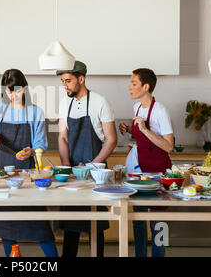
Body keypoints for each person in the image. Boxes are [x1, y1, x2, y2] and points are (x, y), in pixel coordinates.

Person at [0, 69, 58, 257]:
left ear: (25, 89)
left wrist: (32, 151)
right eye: (9, 92)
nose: (13, 96)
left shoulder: (35, 111)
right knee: (5, 224)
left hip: (26, 175)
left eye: (17, 91)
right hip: (2, 174)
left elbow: (40, 142)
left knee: (39, 224)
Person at [57, 61, 117, 257]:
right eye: (62, 81)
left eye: (68, 80)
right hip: (73, 173)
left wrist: (91, 165)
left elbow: (111, 140)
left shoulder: (100, 102)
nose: (64, 85)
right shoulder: (66, 102)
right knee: (70, 224)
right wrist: (67, 165)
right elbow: (63, 136)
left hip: (95, 173)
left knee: (95, 224)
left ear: (81, 79)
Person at [119, 68, 173, 257]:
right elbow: (142, 137)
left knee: (159, 222)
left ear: (146, 86)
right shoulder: (137, 108)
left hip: (158, 172)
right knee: (138, 218)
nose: (129, 88)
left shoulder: (160, 111)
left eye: (134, 83)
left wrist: (144, 129)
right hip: (139, 172)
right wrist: (130, 130)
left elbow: (169, 146)